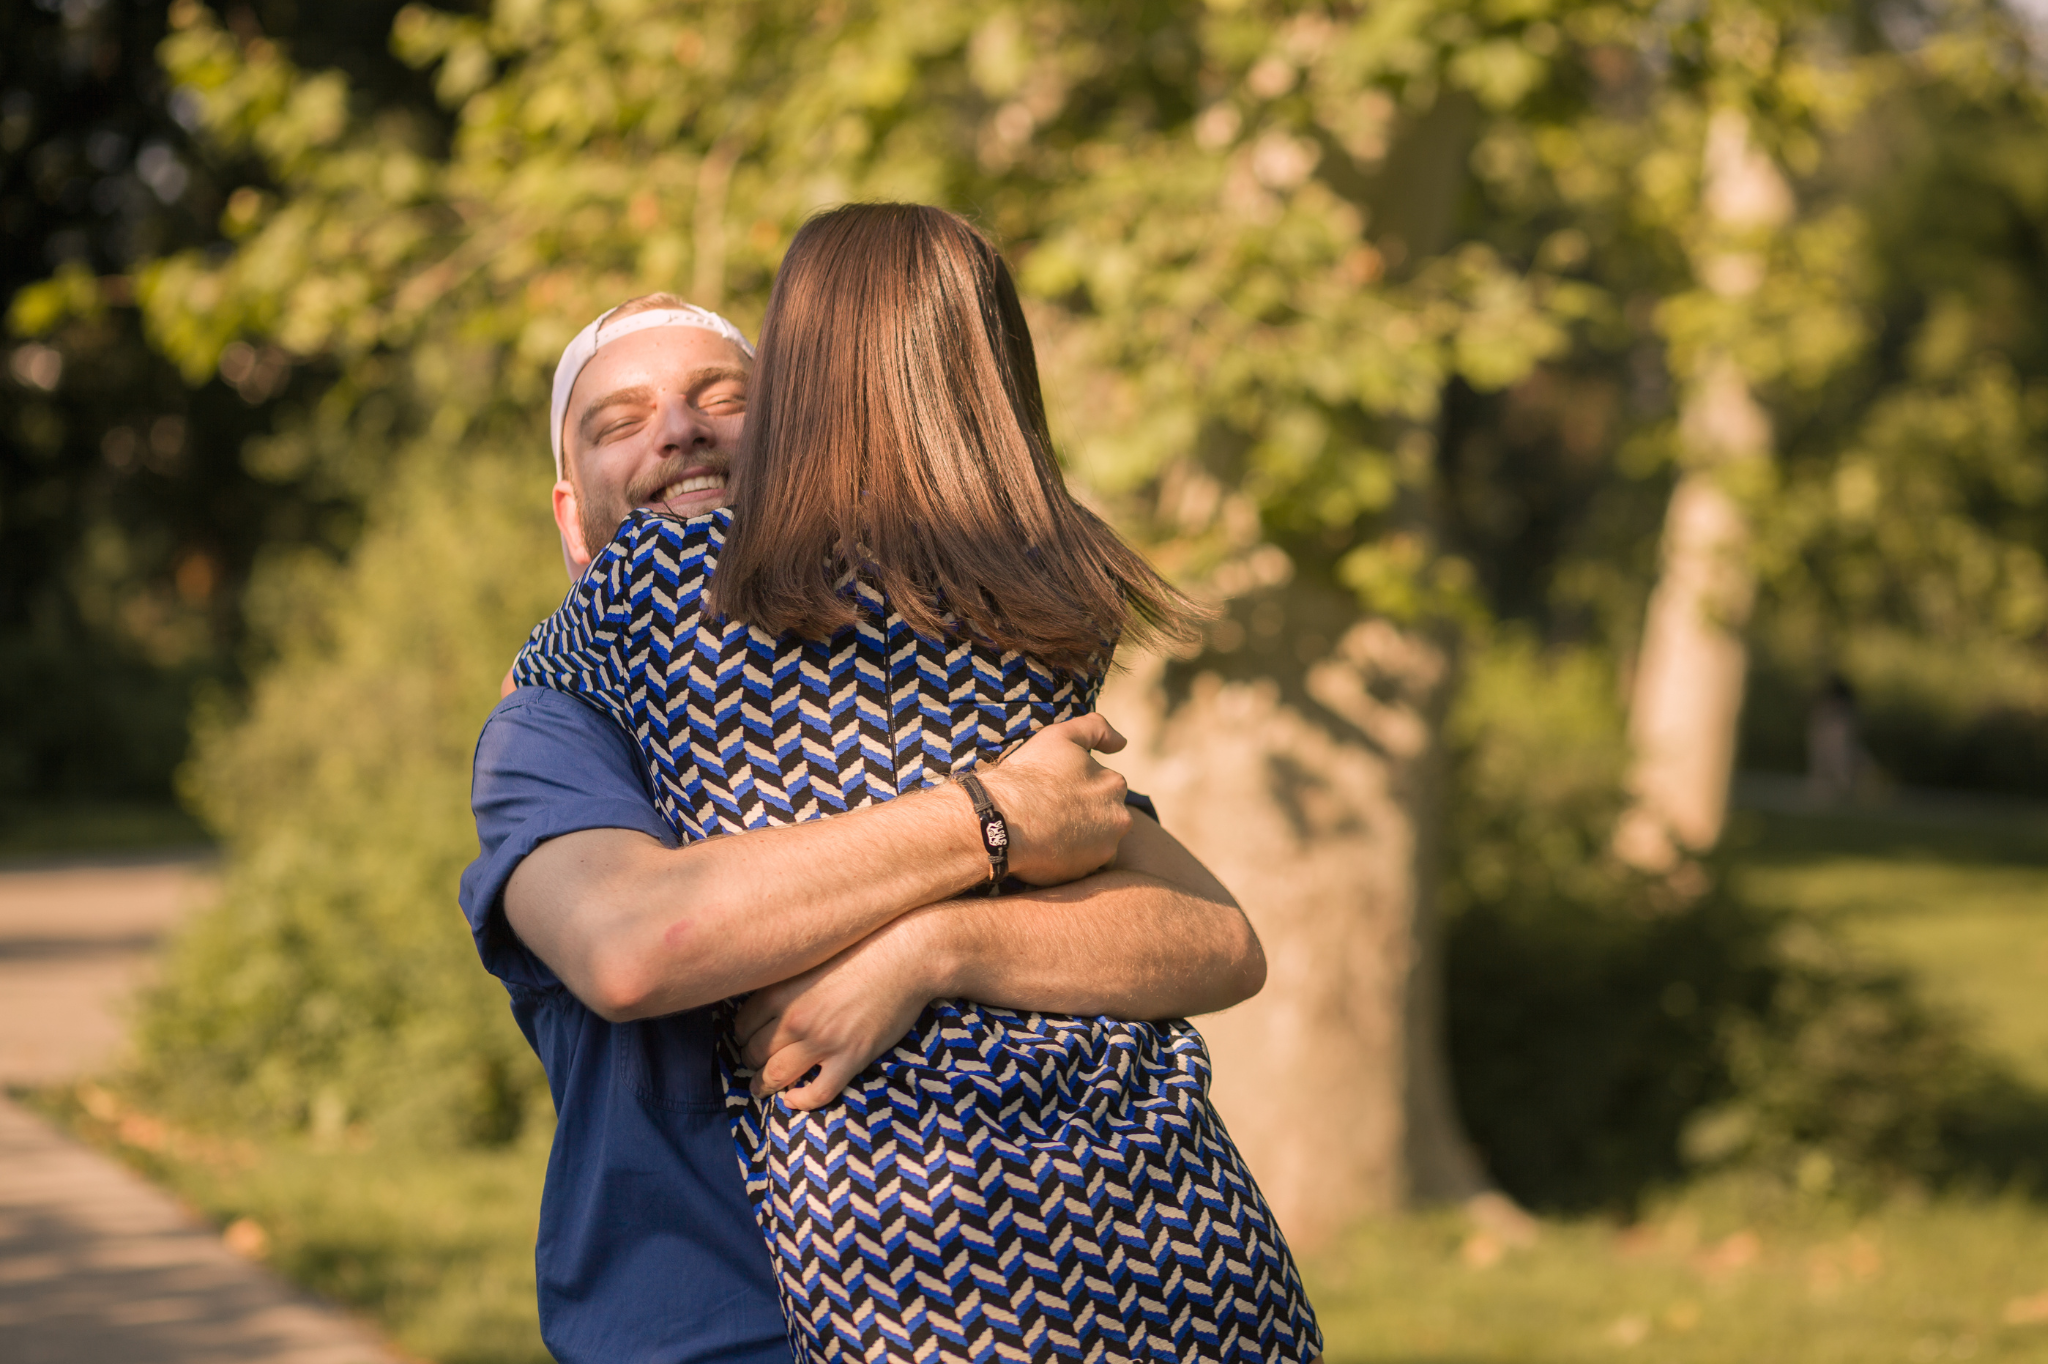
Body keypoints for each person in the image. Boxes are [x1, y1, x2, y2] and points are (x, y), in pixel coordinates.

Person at [510, 203, 1321, 1363]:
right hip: (1183, 1232)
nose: (681, 437)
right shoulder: (1055, 591)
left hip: (921, 1261)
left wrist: (927, 951)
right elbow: (627, 942)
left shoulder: (642, 593)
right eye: (623, 422)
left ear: (791, 391)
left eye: (724, 397)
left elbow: (1216, 939)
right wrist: (987, 833)